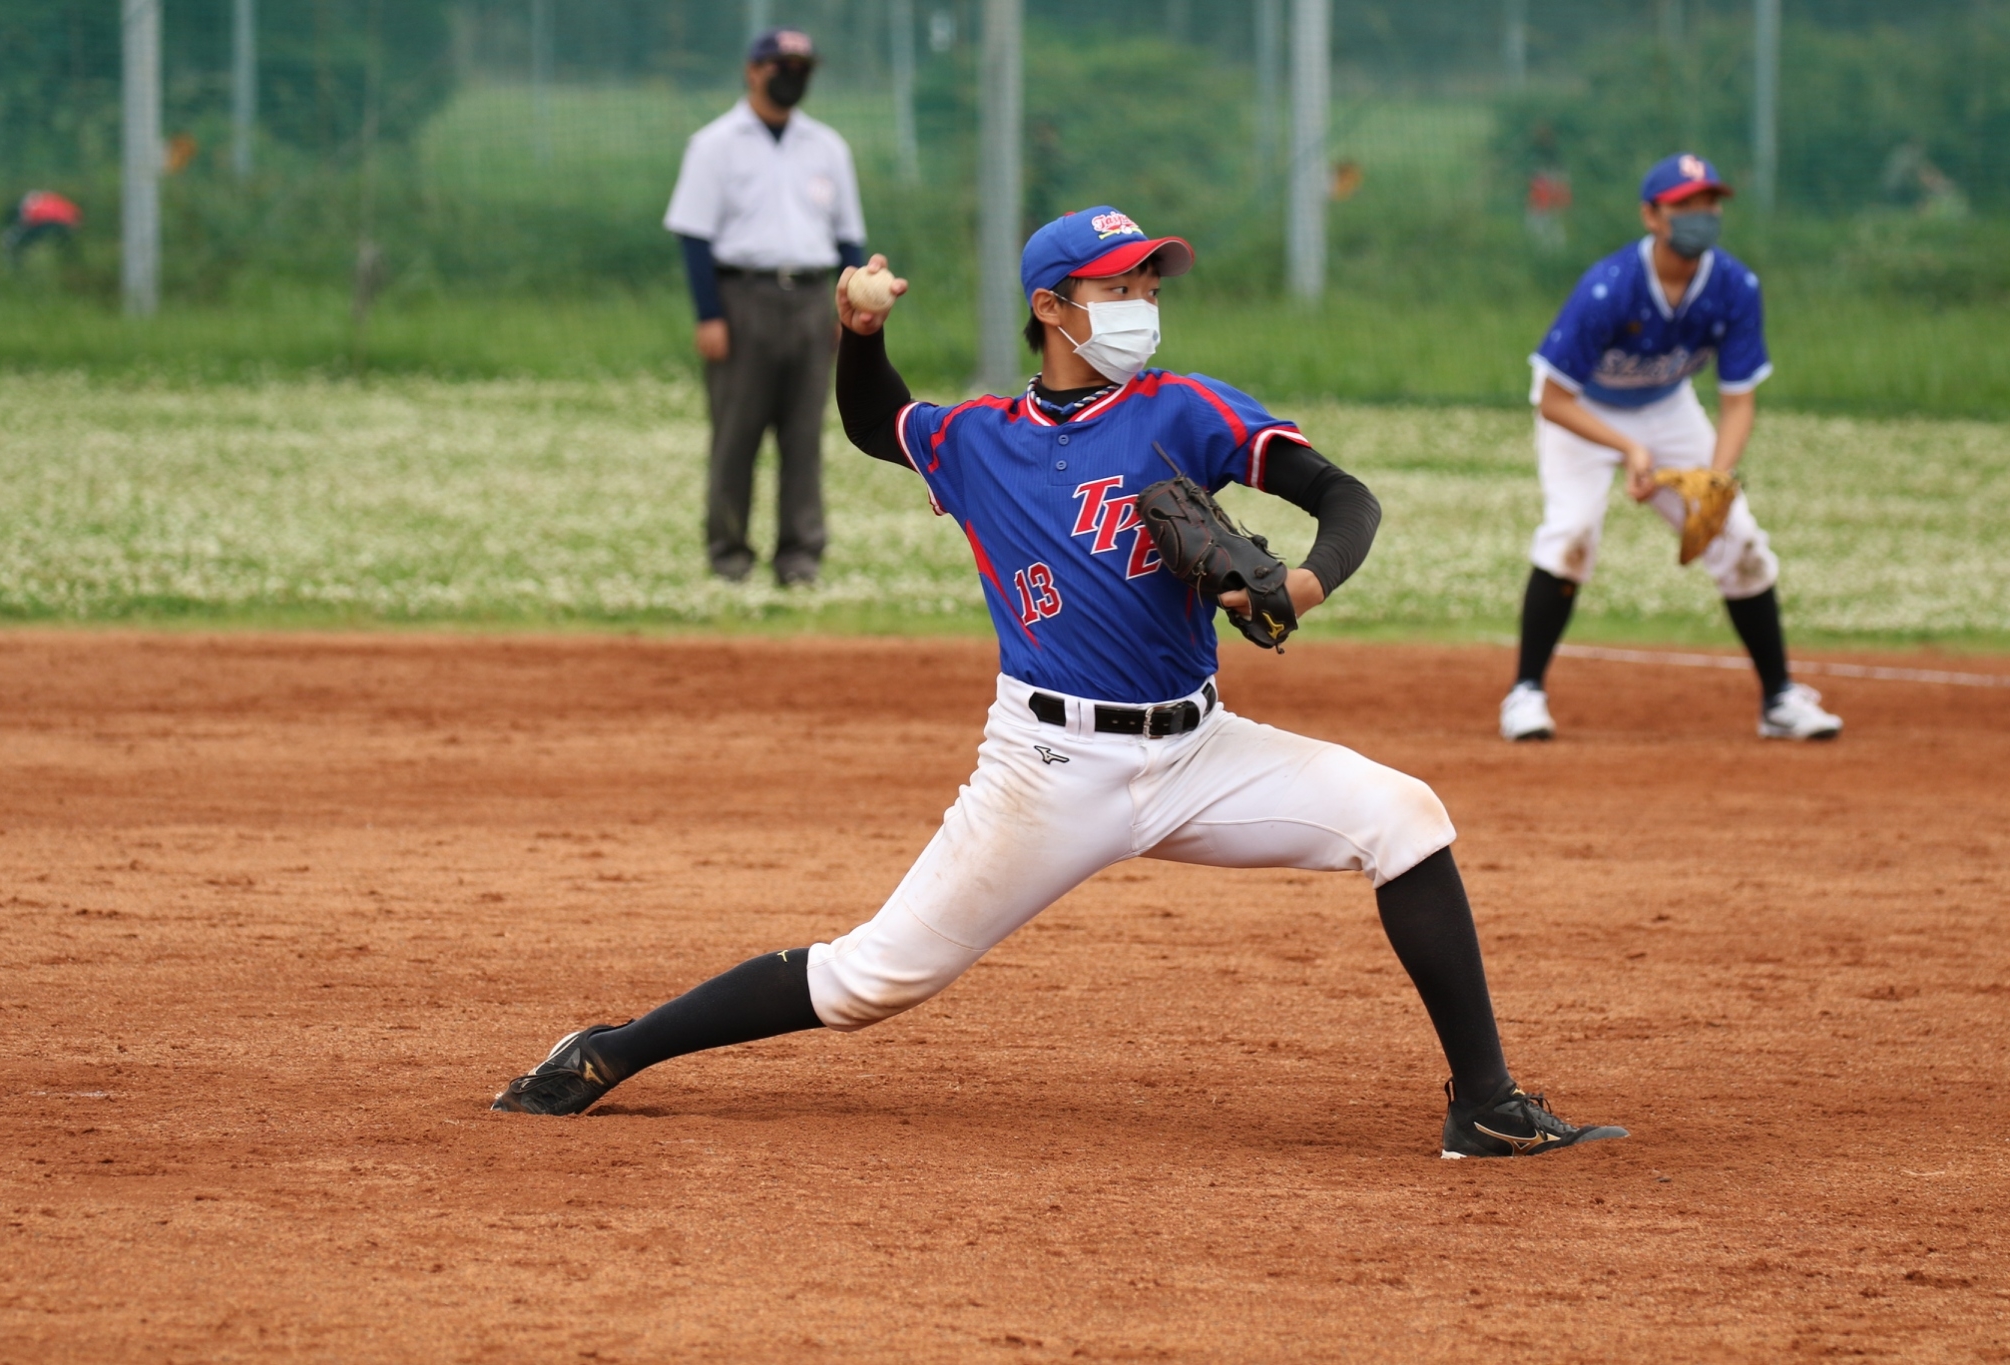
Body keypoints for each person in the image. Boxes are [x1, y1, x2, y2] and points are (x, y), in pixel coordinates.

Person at [491, 207, 1628, 1160]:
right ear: (1051, 307)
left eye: (1148, 281)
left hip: (1198, 752)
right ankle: (609, 1050)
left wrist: (1304, 583)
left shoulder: (1183, 410)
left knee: (1405, 817)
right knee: (867, 982)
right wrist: (857, 330)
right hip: (1046, 767)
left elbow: (1344, 497)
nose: (1142, 300)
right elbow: (874, 421)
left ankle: (1483, 1106)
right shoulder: (979, 440)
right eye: (1117, 284)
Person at [1500, 153, 1842, 743]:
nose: (1700, 215)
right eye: (1685, 205)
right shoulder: (1609, 286)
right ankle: (1525, 693)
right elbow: (1553, 400)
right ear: (1652, 216)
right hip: (1583, 410)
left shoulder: (1734, 286)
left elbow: (1738, 401)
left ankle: (1780, 699)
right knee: (1572, 532)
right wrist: (1630, 450)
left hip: (1667, 406)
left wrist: (1716, 478)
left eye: (1709, 203)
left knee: (1737, 536)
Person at [663, 27, 867, 586]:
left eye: (802, 68)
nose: (793, 77)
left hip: (811, 297)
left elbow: (848, 238)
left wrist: (846, 310)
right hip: (742, 297)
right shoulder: (715, 144)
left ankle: (799, 559)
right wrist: (709, 314)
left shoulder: (826, 146)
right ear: (753, 71)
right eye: (782, 66)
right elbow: (695, 236)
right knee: (736, 435)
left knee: (803, 437)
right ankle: (729, 556)